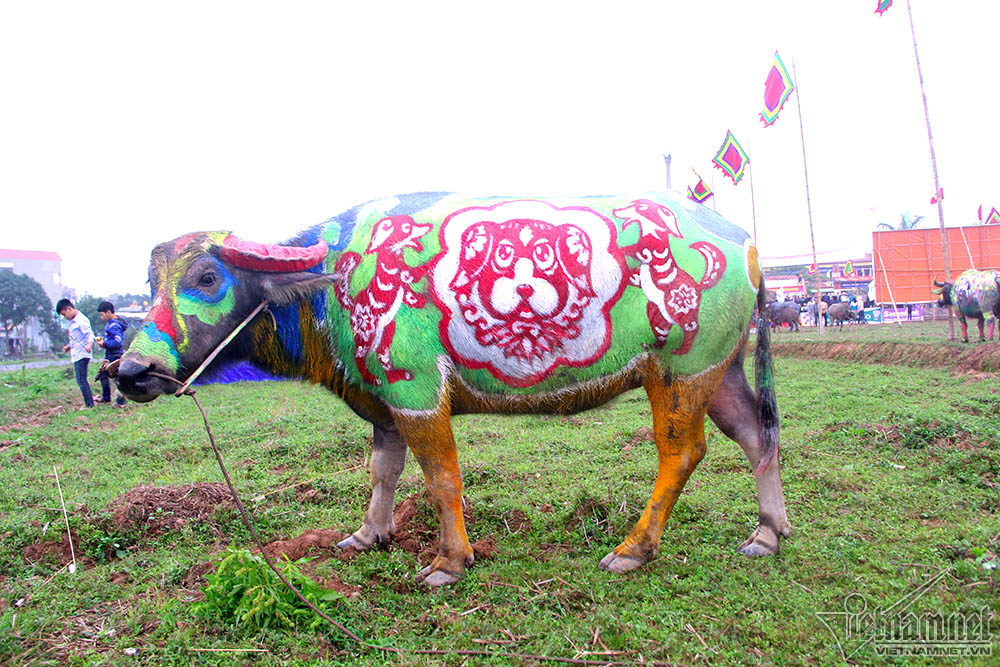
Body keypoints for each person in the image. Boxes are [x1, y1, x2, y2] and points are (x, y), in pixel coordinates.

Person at [57, 298, 95, 409]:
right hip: (77, 353)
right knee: (80, 379)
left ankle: (89, 405)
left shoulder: (81, 320)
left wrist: (89, 345)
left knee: (81, 380)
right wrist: (69, 347)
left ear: (69, 309)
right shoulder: (74, 321)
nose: (65, 317)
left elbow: (89, 334)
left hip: (82, 354)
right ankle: (89, 403)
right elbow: (77, 338)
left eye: (64, 314)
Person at [95, 301, 129, 406]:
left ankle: (119, 401)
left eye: (102, 315)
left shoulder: (114, 325)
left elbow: (117, 342)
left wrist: (104, 344)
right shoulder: (112, 323)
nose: (101, 318)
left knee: (117, 378)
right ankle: (108, 398)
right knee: (104, 374)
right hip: (110, 354)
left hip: (115, 354)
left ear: (108, 312)